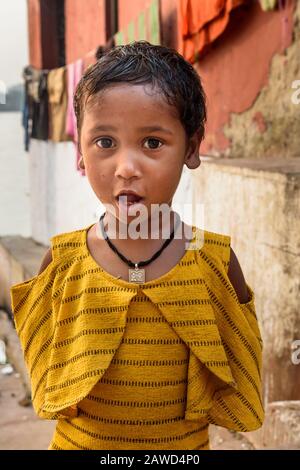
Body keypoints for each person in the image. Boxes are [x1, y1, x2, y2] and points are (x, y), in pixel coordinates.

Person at [10, 41, 264, 450]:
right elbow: (49, 379)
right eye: (105, 142)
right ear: (80, 153)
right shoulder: (62, 264)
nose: (126, 168)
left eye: (151, 143)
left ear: (192, 147)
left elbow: (241, 369)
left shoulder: (214, 263)